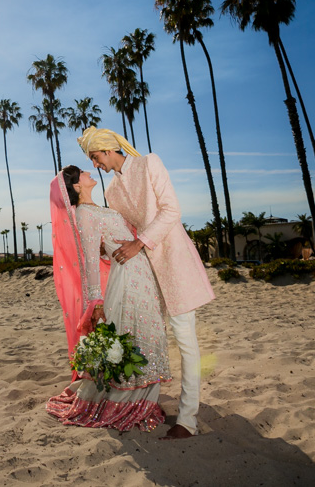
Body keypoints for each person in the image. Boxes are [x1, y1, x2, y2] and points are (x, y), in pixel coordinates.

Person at [77, 127, 215, 440]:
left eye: (96, 157)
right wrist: (108, 247)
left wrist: (139, 243)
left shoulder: (150, 163)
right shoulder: (111, 191)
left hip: (175, 264)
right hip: (143, 277)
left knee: (185, 340)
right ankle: (144, 403)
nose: (96, 165)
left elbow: (171, 211)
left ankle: (188, 420)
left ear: (109, 149)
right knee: (149, 342)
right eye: (92, 161)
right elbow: (123, 231)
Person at [46, 165, 171, 432]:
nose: (90, 172)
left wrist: (111, 249)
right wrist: (96, 300)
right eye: (82, 173)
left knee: (147, 332)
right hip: (126, 278)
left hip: (139, 272)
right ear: (77, 187)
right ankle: (131, 401)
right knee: (134, 334)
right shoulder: (84, 213)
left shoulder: (97, 209)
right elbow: (90, 259)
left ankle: (143, 397)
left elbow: (105, 250)